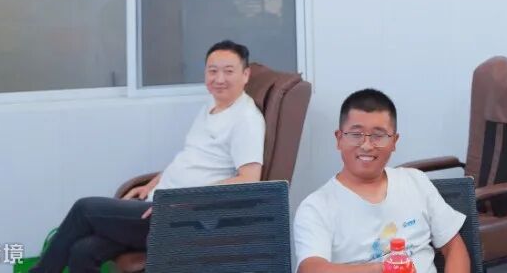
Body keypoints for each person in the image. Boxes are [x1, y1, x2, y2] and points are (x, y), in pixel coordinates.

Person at [30, 40, 266, 273]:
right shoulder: (212, 106)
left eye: (228, 71)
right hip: (159, 203)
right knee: (83, 251)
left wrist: (184, 200)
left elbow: (249, 179)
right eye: (212, 71)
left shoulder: (246, 119)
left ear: (245, 75)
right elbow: (191, 160)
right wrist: (152, 184)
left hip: (184, 216)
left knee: (84, 209)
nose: (219, 79)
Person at [294, 89, 470, 273]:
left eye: (378, 136)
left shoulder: (415, 181)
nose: (366, 146)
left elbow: (453, 246)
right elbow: (310, 269)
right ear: (339, 139)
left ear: (394, 141)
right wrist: (384, 269)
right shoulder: (316, 207)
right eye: (356, 134)